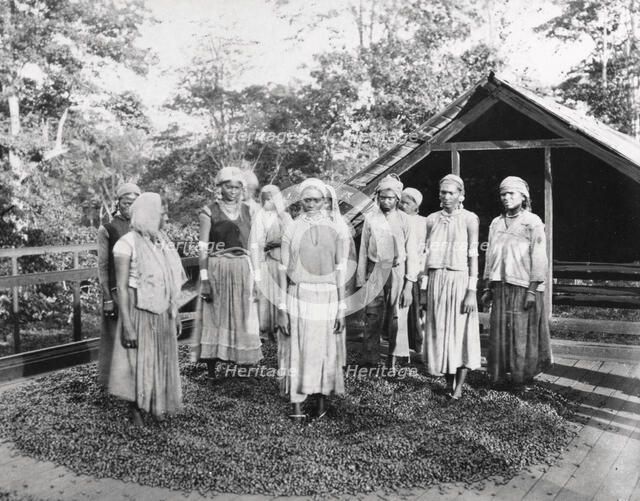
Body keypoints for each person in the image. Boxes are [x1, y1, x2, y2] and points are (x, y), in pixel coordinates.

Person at [108, 193, 186, 424]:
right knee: (137, 358)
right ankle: (134, 409)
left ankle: (155, 404)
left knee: (160, 356)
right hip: (137, 307)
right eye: (163, 213)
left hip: (162, 309)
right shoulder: (126, 243)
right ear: (150, 214)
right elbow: (121, 287)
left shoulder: (162, 241)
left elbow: (170, 280)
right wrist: (128, 326)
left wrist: (176, 311)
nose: (166, 217)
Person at [277, 178, 347, 421]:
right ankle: (296, 406)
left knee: (323, 349)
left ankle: (321, 403)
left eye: (316, 200)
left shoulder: (338, 229)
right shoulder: (291, 229)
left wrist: (341, 308)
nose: (311, 204)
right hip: (299, 294)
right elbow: (282, 271)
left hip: (327, 296)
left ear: (325, 201)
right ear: (300, 201)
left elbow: (340, 271)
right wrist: (282, 309)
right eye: (307, 199)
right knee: (297, 349)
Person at [482, 176, 553, 389]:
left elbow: (539, 257)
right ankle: (500, 377)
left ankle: (522, 378)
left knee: (522, 334)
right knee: (500, 333)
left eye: (511, 193)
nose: (506, 198)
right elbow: (490, 257)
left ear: (523, 196)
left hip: (523, 287)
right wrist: (488, 286)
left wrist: (532, 290)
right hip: (500, 286)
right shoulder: (496, 223)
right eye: (503, 194)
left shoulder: (532, 222)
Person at [193, 166, 262, 378]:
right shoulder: (208, 211)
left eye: (237, 187)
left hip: (242, 267)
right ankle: (212, 369)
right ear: (220, 188)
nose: (232, 191)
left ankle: (242, 366)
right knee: (215, 315)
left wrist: (258, 279)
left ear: (242, 189)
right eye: (228, 187)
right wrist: (204, 280)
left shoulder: (250, 211)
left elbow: (254, 247)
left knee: (244, 315)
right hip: (217, 267)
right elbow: (203, 247)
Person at [423, 174, 481, 400]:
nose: (446, 197)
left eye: (451, 193)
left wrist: (471, 291)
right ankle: (448, 384)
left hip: (459, 281)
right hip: (437, 279)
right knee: (441, 333)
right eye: (443, 193)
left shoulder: (469, 219)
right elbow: (425, 255)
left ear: (461, 195)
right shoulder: (431, 219)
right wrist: (425, 288)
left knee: (460, 332)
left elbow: (473, 255)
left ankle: (459, 388)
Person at [356, 174, 418, 369]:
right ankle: (370, 359)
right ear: (378, 197)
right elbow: (364, 250)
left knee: (396, 314)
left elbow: (412, 253)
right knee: (373, 314)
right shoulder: (371, 219)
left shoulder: (405, 220)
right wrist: (361, 279)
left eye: (390, 198)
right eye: (383, 197)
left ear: (397, 199)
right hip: (375, 270)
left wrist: (409, 283)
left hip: (397, 270)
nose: (386, 201)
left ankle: (393, 358)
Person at [96, 182, 141, 387]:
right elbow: (103, 265)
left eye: (134, 203)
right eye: (126, 202)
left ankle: (139, 381)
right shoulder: (108, 228)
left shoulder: (144, 226)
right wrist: (107, 298)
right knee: (117, 338)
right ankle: (116, 384)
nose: (129, 207)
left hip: (141, 291)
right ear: (118, 202)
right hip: (117, 290)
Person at [250, 184, 292, 344]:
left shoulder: (285, 217)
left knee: (280, 294)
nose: (269, 202)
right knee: (264, 296)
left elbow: (291, 237)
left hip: (280, 261)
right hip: (264, 262)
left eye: (271, 198)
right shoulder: (258, 217)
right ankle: (265, 333)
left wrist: (275, 242)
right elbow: (255, 242)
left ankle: (280, 328)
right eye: (265, 199)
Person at [399, 187, 428, 358]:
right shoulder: (396, 220)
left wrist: (420, 273)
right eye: (401, 202)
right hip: (398, 270)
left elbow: (424, 250)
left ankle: (417, 347)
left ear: (416, 206)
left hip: (415, 271)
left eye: (407, 203)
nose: (402, 205)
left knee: (415, 310)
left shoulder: (422, 222)